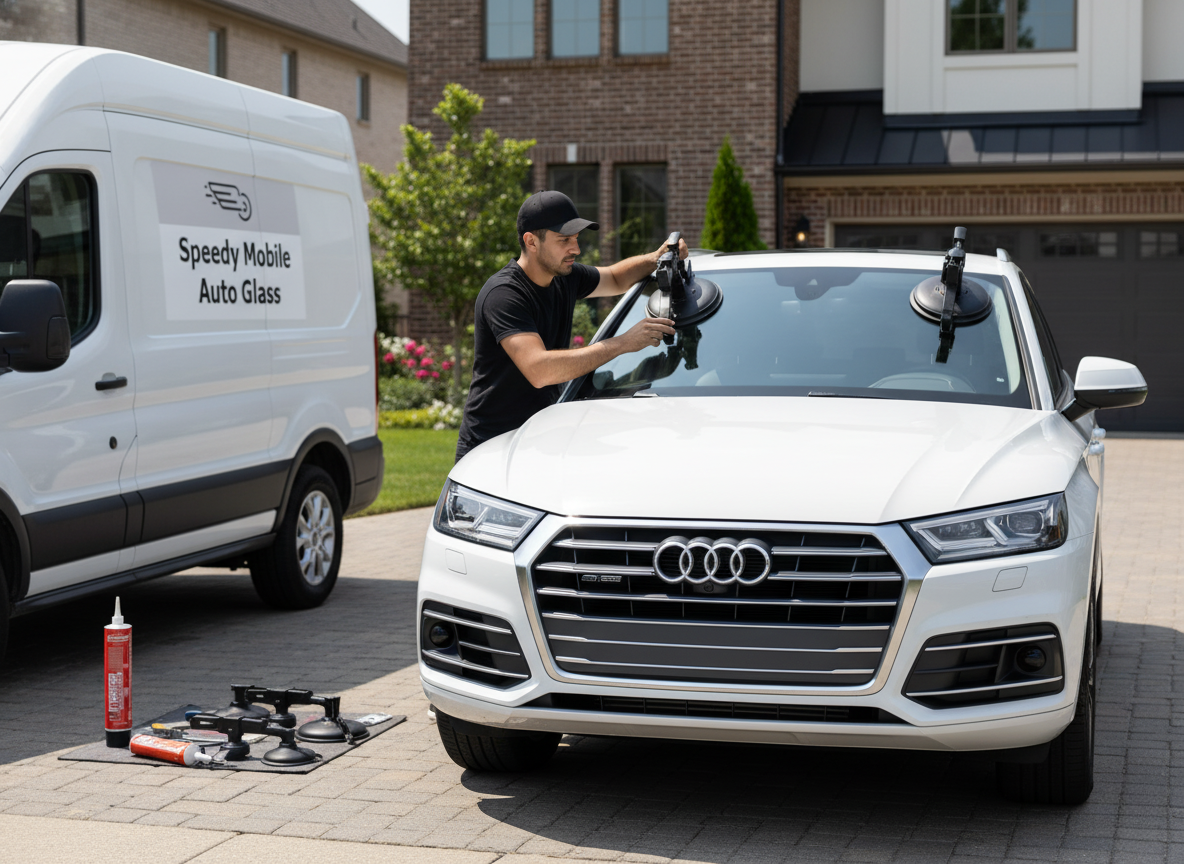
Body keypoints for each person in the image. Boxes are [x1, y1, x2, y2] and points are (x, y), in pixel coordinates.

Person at [455, 190, 687, 462]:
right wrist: (623, 343)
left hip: (540, 437)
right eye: (564, 240)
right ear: (531, 241)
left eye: (576, 239)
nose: (575, 249)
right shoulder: (504, 294)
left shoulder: (564, 277)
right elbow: (540, 370)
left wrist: (656, 257)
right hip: (492, 447)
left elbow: (614, 278)